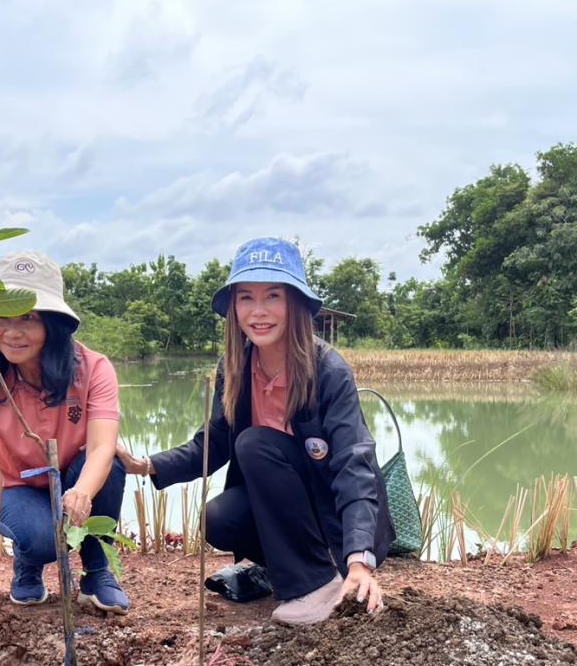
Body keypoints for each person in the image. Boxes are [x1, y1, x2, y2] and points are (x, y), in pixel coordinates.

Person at [117, 237, 393, 625]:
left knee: (256, 443)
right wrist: (145, 465)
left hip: (334, 516)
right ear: (233, 307)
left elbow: (354, 465)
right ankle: (277, 568)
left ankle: (315, 583)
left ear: (295, 304)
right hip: (285, 509)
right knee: (219, 517)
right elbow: (211, 444)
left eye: (273, 297)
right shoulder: (235, 368)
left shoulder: (328, 371)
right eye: (246, 298)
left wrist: (359, 560)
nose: (258, 312)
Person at [0, 251, 130, 614]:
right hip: (16, 488)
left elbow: (102, 446)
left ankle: (98, 572)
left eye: (28, 318)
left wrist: (82, 491)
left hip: (73, 476)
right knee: (42, 539)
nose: (13, 332)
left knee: (111, 464)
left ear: (53, 324)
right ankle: (28, 564)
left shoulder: (94, 369)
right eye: (1, 317)